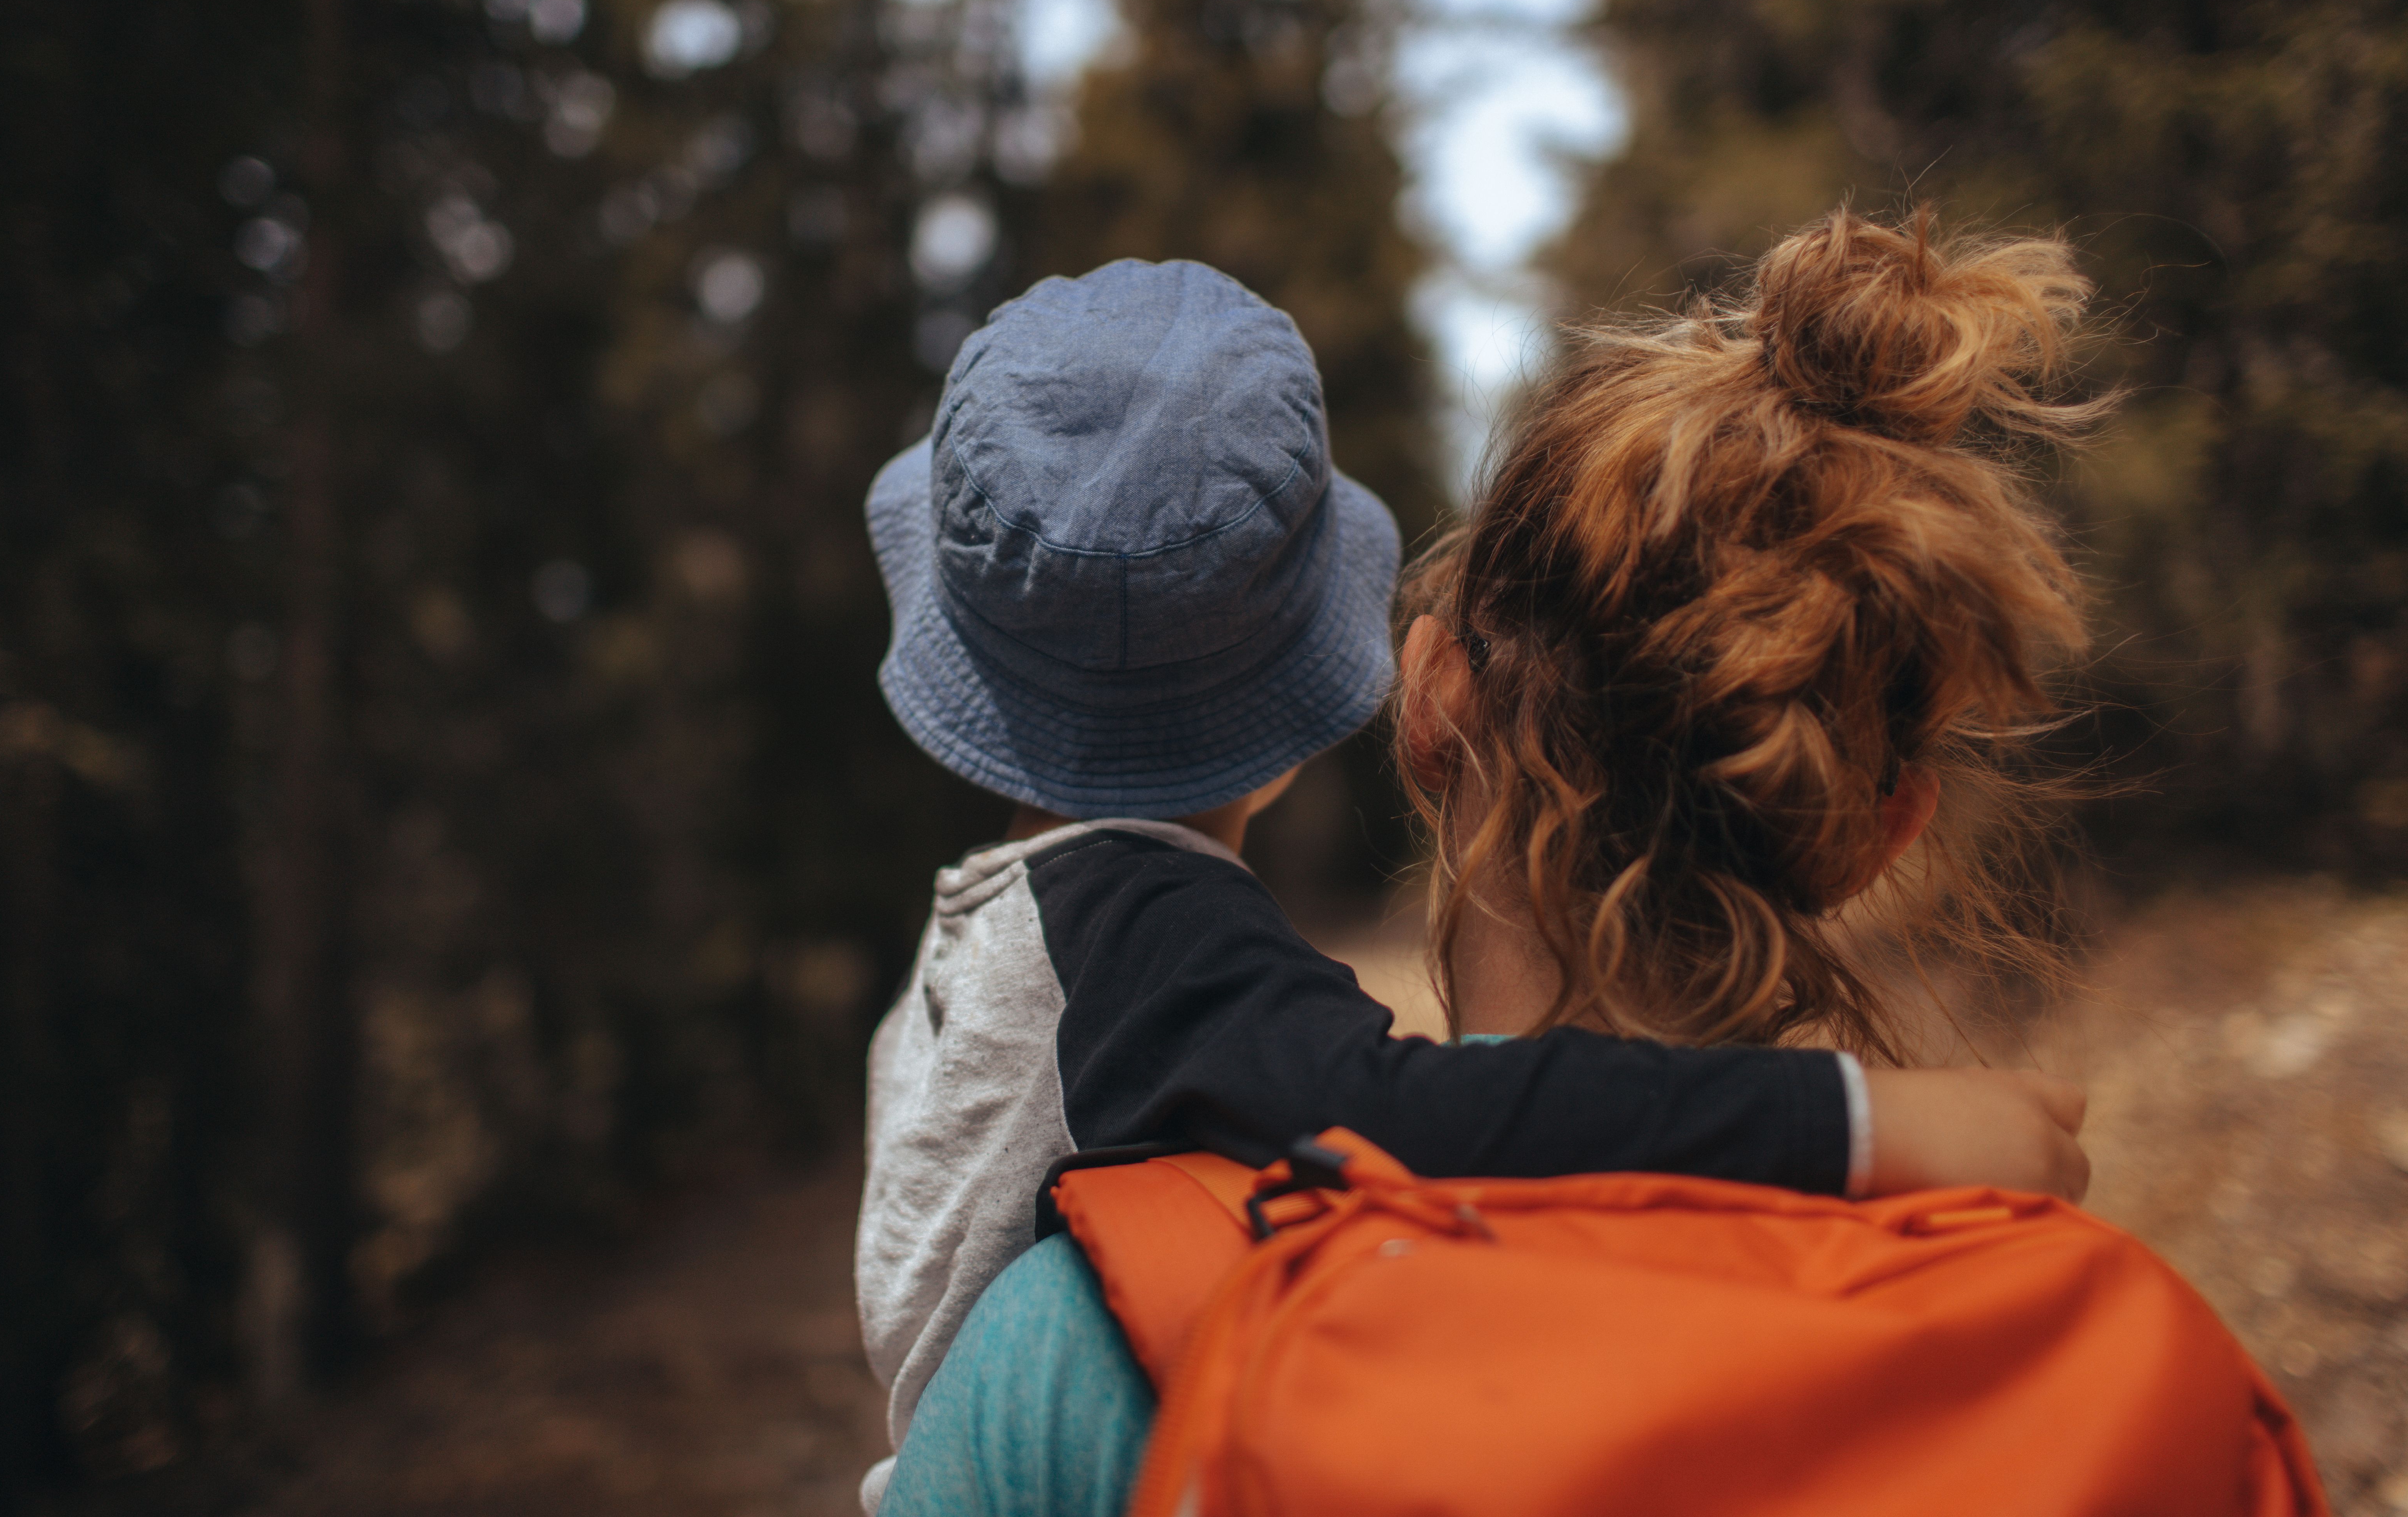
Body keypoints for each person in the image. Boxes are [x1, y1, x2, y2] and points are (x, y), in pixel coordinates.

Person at [878, 209, 2106, 1517]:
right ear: (1881, 823)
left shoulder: (998, 975)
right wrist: (1852, 1125)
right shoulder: (2067, 1339)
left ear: (1431, 697)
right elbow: (1416, 1118)